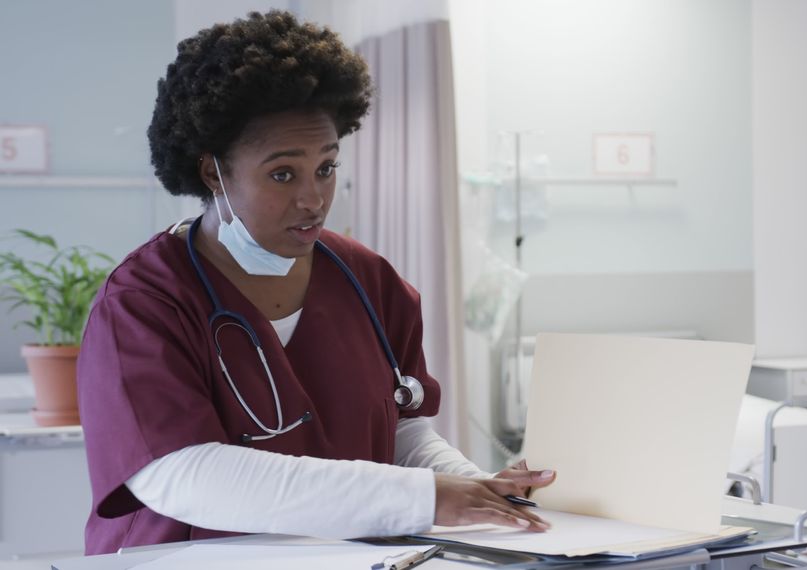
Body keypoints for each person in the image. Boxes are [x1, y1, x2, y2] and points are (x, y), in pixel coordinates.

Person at [76, 10, 553, 555]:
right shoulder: (145, 301)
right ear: (213, 172)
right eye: (283, 174)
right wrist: (425, 496)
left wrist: (478, 490)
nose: (313, 198)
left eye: (326, 168)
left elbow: (401, 431)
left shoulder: (367, 280)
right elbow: (181, 473)